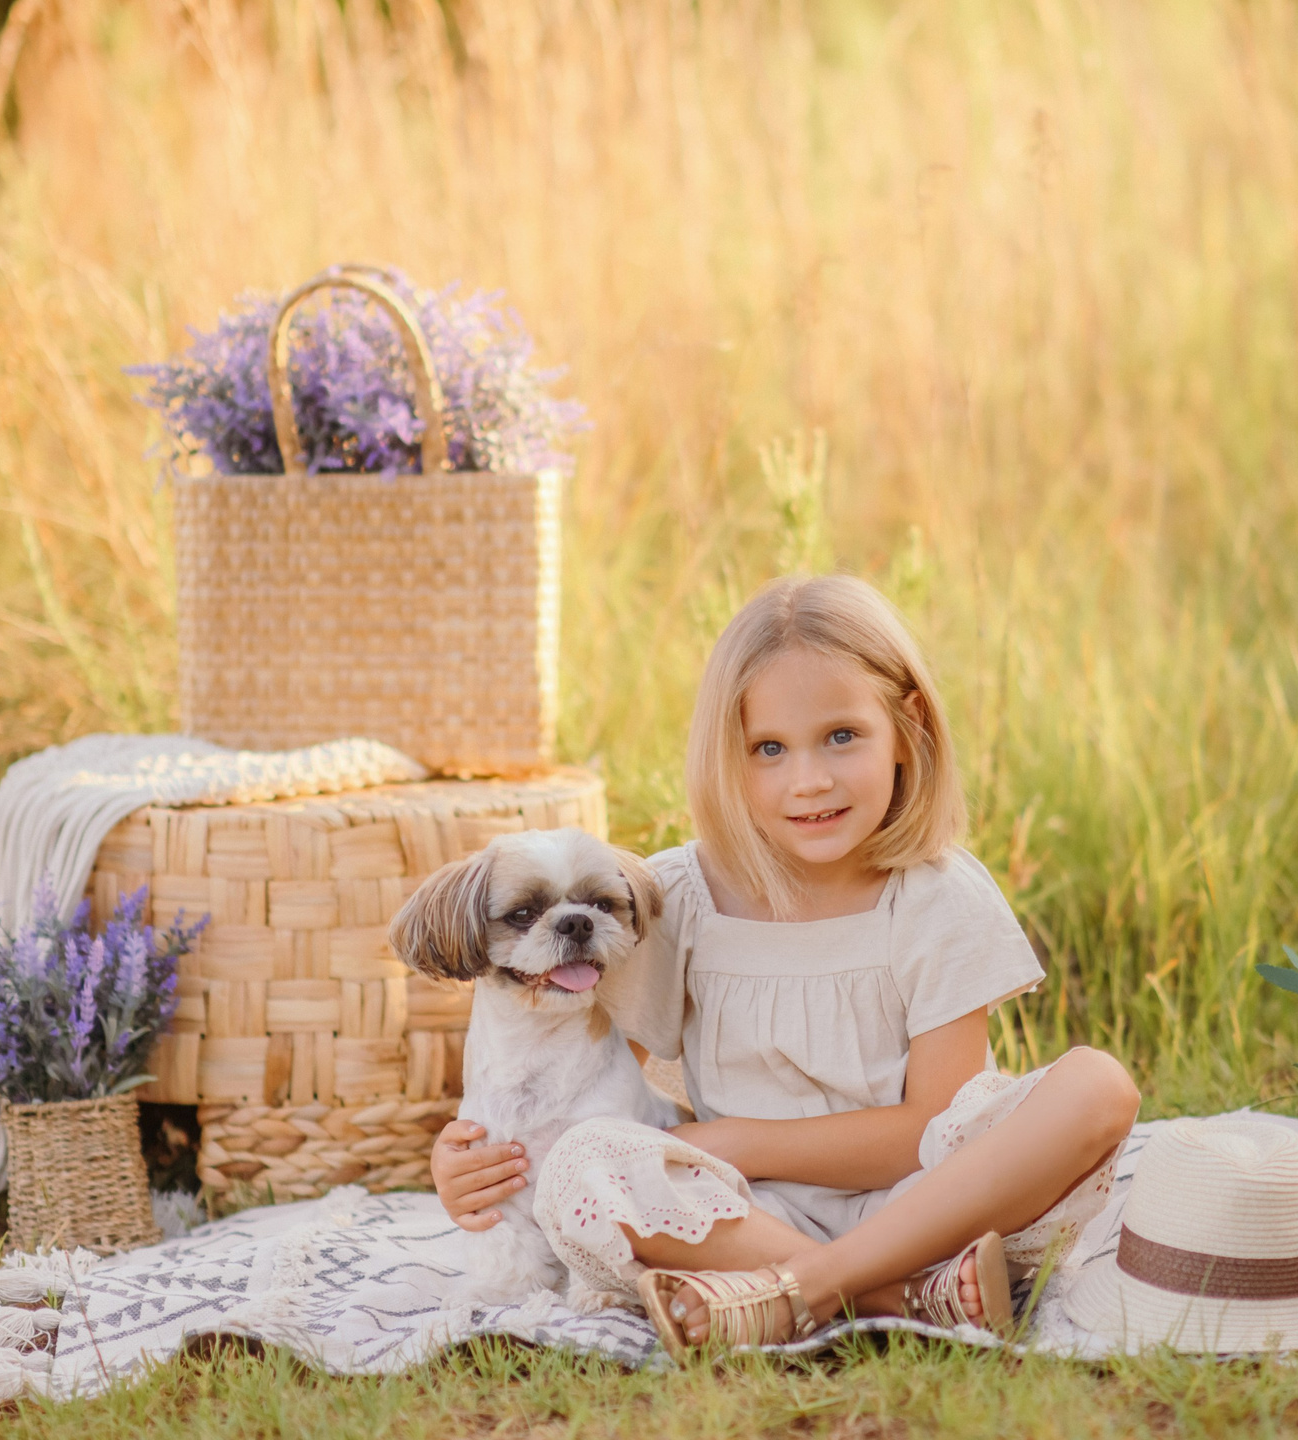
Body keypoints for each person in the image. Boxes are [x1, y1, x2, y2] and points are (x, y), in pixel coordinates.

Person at [429, 574, 1142, 1349]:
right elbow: (590, 1082)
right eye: (769, 748)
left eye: (842, 735)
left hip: (933, 1208)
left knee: (1098, 1086)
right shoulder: (681, 896)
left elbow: (933, 1128)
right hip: (743, 1216)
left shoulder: (938, 897)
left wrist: (737, 1139)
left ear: (907, 727)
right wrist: (468, 1162)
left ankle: (808, 1289)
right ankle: (898, 1299)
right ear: (727, 757)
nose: (810, 780)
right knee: (583, 1162)